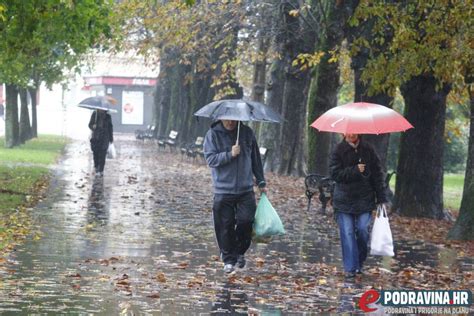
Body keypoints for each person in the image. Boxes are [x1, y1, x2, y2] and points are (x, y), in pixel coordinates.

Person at [203, 119, 266, 274]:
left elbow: (256, 159)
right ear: (221, 118)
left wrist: (261, 181)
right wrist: (229, 154)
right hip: (223, 189)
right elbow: (210, 159)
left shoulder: (247, 133)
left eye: (233, 119)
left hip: (245, 189)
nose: (230, 122)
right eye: (227, 119)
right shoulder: (213, 135)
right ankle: (228, 259)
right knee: (225, 226)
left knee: (246, 221)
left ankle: (239, 252)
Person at [329, 133, 388, 278]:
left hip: (364, 199)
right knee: (347, 232)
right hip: (343, 199)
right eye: (348, 131)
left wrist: (381, 197)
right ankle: (350, 268)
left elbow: (377, 174)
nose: (351, 134)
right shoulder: (338, 150)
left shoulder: (368, 150)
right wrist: (355, 170)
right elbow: (335, 174)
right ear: (343, 133)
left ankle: (359, 262)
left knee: (362, 230)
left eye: (354, 130)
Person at [88, 109, 113, 176]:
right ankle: (96, 167)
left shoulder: (108, 116)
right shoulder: (94, 114)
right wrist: (93, 127)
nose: (101, 110)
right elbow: (90, 124)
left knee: (102, 154)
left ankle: (101, 170)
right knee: (95, 154)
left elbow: (110, 128)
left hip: (105, 138)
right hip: (96, 137)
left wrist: (111, 139)